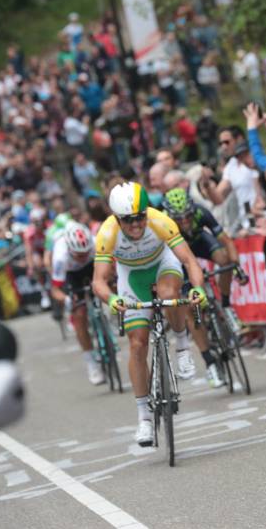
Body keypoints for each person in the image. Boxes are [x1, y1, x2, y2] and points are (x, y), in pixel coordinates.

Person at [92, 182, 208, 447]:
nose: (136, 225)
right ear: (117, 219)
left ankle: (181, 347)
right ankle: (144, 417)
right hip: (131, 277)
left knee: (169, 295)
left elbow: (189, 261)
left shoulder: (160, 221)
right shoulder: (107, 233)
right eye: (128, 220)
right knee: (137, 343)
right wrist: (111, 298)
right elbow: (98, 281)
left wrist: (199, 289)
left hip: (162, 264)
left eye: (140, 217)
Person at [162, 187, 249, 353]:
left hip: (200, 242)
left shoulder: (201, 213)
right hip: (178, 254)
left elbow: (227, 241)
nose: (185, 221)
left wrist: (236, 267)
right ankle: (209, 361)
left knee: (224, 259)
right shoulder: (163, 223)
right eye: (179, 219)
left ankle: (226, 305)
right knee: (189, 310)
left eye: (188, 216)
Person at [50, 221, 104, 386]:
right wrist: (66, 299)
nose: (82, 257)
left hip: (92, 266)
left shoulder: (96, 243)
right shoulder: (60, 256)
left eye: (85, 253)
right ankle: (91, 362)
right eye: (78, 255)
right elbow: (55, 290)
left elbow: (111, 268)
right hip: (71, 275)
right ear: (69, 249)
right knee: (79, 313)